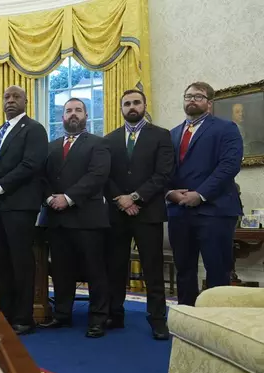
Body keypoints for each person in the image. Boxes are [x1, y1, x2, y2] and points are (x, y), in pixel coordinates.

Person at [0, 86, 47, 335]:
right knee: (1, 262)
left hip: (20, 206)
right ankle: (6, 315)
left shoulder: (34, 129)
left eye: (16, 97)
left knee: (21, 262)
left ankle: (24, 318)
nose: (11, 100)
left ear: (26, 101)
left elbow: (31, 164)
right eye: (6, 97)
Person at [104, 90, 174, 340]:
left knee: (152, 269)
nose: (131, 107)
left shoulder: (161, 136)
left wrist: (134, 198)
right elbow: (105, 176)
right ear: (121, 108)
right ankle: (115, 314)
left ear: (144, 105)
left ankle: (157, 319)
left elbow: (163, 174)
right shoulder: (109, 140)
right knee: (115, 267)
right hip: (117, 214)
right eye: (127, 104)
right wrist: (121, 201)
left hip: (148, 213)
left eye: (136, 103)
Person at [167, 82, 243, 306]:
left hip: (215, 211)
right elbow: (163, 170)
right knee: (184, 270)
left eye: (198, 97)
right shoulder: (171, 134)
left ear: (209, 104)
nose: (191, 100)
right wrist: (169, 193)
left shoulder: (226, 128)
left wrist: (199, 195)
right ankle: (187, 320)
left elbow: (229, 166)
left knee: (218, 271)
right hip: (179, 213)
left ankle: (216, 323)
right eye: (188, 96)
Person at [41, 97, 110, 338]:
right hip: (56, 218)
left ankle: (98, 319)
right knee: (61, 270)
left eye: (78, 110)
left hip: (87, 218)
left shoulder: (99, 144)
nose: (73, 114)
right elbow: (41, 178)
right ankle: (62, 315)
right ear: (62, 117)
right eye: (68, 111)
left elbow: (97, 176)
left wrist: (68, 198)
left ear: (85, 116)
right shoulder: (50, 147)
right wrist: (50, 198)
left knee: (95, 270)